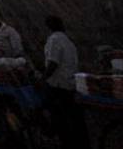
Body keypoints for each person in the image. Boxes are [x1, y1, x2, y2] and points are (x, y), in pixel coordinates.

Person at [42, 16, 87, 149]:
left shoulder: (54, 39)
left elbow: (53, 63)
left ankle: (55, 133)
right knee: (74, 119)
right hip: (70, 84)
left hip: (59, 85)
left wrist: (43, 78)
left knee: (59, 117)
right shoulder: (68, 41)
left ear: (49, 27)